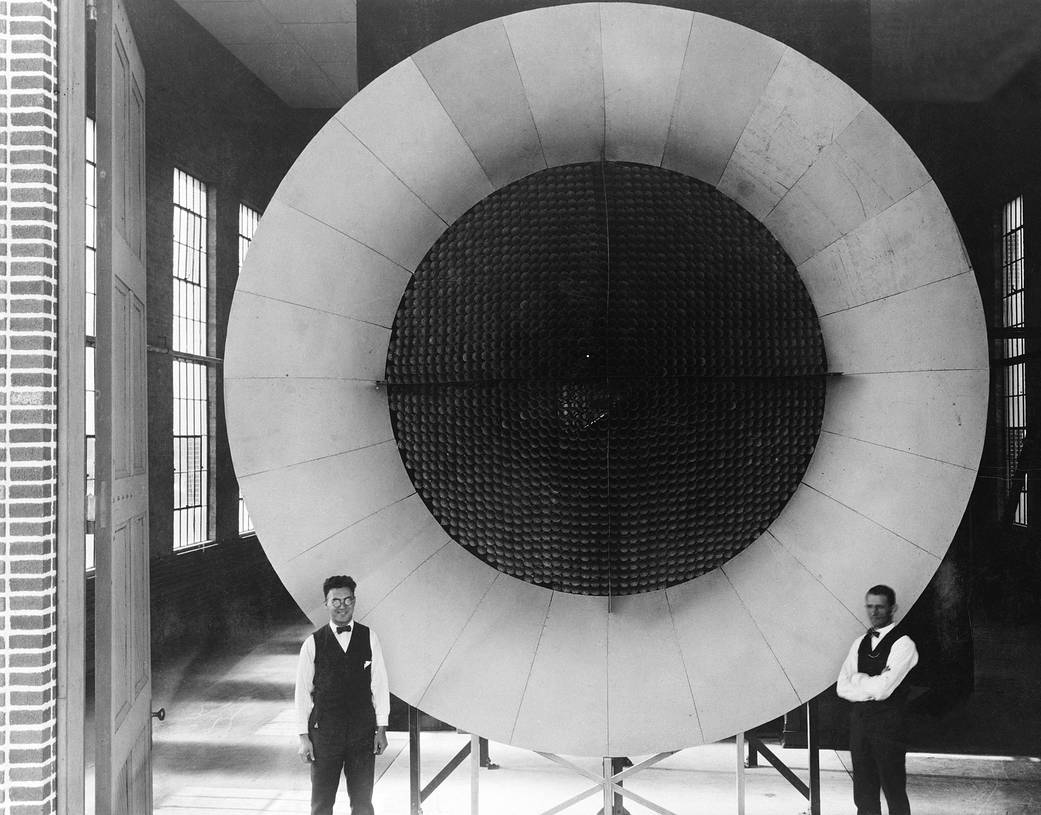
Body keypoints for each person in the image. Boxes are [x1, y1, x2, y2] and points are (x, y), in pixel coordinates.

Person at [295, 575, 390, 815]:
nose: (342, 606)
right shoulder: (313, 643)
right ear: (326, 604)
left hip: (361, 732)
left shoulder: (370, 637)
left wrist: (381, 728)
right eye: (336, 601)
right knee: (321, 803)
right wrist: (303, 737)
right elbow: (302, 693)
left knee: (363, 802)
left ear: (355, 602)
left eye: (348, 600)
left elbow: (379, 684)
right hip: (324, 733)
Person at [837, 584, 919, 815]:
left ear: (893, 608)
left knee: (893, 789)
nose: (874, 612)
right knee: (863, 791)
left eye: (880, 607)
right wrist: (869, 683)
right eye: (870, 607)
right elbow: (842, 687)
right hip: (860, 724)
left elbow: (884, 689)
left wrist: (859, 679)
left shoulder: (904, 644)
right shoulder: (859, 643)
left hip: (890, 727)